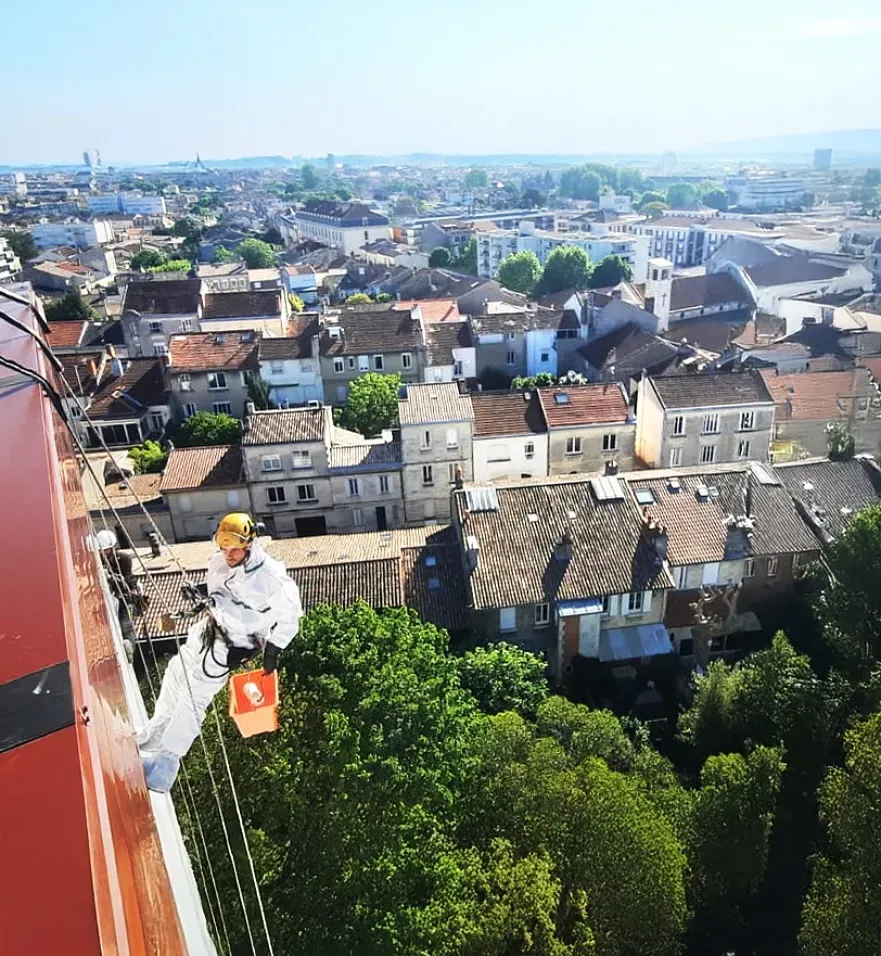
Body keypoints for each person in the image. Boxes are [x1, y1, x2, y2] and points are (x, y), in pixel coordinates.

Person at [138, 513, 302, 792]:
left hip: (231, 646)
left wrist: (273, 651)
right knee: (176, 673)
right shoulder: (220, 562)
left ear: (250, 546)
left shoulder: (270, 577)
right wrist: (201, 594)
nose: (229, 553)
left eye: (235, 547)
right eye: (223, 546)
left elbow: (291, 617)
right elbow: (224, 592)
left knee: (193, 699)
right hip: (207, 631)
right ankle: (155, 733)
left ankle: (166, 765)